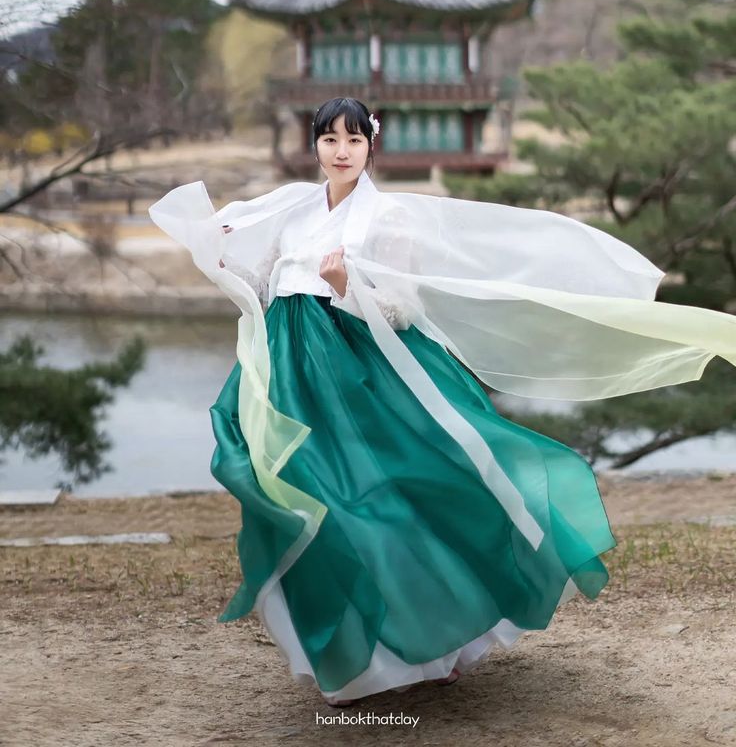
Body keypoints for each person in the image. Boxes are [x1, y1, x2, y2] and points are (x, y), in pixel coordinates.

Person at [148, 96, 736, 708]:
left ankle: (433, 642)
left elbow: (403, 306)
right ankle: (348, 655)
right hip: (296, 369)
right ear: (315, 146)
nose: (341, 151)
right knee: (303, 495)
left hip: (363, 369)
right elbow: (268, 282)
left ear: (371, 145)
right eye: (329, 140)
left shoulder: (388, 219)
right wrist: (223, 257)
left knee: (397, 496)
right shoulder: (293, 210)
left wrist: (349, 287)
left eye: (353, 139)